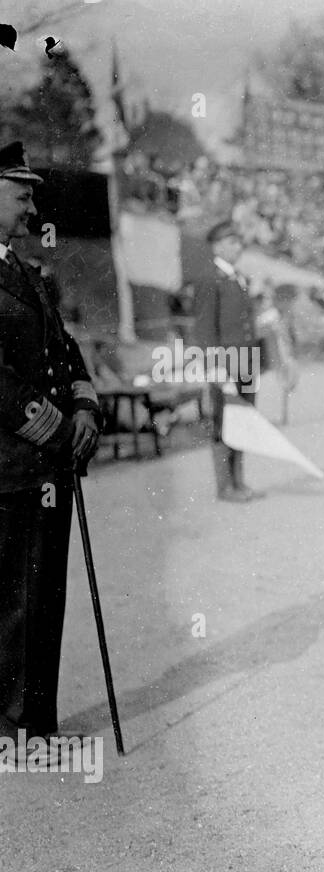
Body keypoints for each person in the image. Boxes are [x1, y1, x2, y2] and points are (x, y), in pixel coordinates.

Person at [0, 141, 101, 746]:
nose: (32, 205)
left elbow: (65, 352)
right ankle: (7, 730)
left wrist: (86, 405)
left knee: (43, 599)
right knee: (9, 602)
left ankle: (34, 722)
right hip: (9, 466)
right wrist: (60, 429)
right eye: (21, 193)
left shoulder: (28, 272)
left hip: (45, 469)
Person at [191, 220, 262, 502]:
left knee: (243, 421)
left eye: (238, 241)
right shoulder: (210, 279)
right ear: (217, 246)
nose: (238, 247)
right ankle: (225, 487)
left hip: (245, 362)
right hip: (225, 364)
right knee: (224, 422)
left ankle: (239, 482)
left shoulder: (237, 277)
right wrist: (216, 367)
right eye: (232, 242)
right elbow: (206, 329)